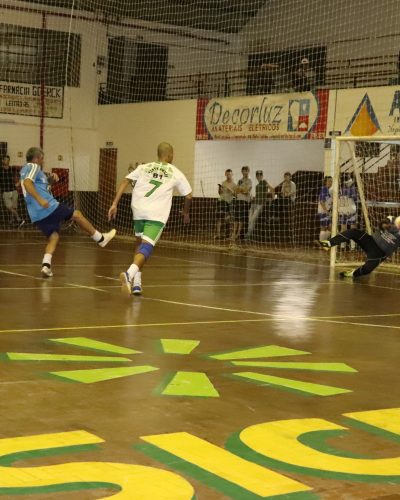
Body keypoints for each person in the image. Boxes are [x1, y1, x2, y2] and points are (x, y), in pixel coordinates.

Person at [108, 142, 192, 296]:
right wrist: (185, 212)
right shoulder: (175, 171)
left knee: (139, 244)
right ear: (170, 155)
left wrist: (114, 204)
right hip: (156, 214)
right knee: (147, 247)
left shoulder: (144, 167)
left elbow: (125, 181)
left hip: (138, 209)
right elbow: (188, 195)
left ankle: (137, 283)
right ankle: (128, 274)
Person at [20, 147, 116, 277]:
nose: (43, 161)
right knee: (76, 215)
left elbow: (37, 184)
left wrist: (50, 180)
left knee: (54, 236)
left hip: (36, 214)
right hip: (47, 207)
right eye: (42, 158)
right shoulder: (33, 166)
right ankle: (100, 238)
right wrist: (41, 200)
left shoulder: (27, 170)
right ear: (37, 158)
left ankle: (46, 265)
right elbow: (27, 184)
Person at [319, 216, 400, 278]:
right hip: (371, 241)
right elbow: (382, 223)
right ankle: (329, 243)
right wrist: (386, 225)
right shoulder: (393, 219)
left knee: (367, 270)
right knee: (354, 232)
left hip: (379, 253)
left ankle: (352, 273)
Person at [246, 170, 272, 239]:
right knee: (249, 218)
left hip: (260, 204)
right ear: (256, 176)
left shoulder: (264, 182)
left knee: (253, 218)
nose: (259, 176)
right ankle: (249, 233)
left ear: (262, 176)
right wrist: (252, 198)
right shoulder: (257, 186)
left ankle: (249, 234)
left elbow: (272, 189)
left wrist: (270, 199)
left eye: (260, 175)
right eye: (257, 175)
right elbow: (257, 195)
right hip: (254, 204)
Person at [0, 155, 25, 227]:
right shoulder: (0, 170)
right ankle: (19, 219)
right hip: (5, 192)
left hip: (14, 191)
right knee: (9, 207)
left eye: (8, 160)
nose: (6, 161)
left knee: (13, 208)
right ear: (2, 161)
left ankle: (11, 221)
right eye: (5, 160)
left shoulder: (12, 168)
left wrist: (19, 182)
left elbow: (22, 174)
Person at [338, 173, 358, 250]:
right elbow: (355, 197)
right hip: (351, 209)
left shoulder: (341, 188)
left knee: (343, 228)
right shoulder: (352, 188)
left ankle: (342, 245)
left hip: (343, 209)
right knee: (352, 227)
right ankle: (353, 246)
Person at [232, 166, 252, 241]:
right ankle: (234, 233)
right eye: (243, 171)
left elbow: (247, 191)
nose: (245, 172)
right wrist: (241, 190)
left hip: (244, 201)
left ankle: (238, 234)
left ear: (248, 171)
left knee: (241, 219)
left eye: (246, 171)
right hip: (238, 200)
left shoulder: (249, 180)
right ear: (242, 172)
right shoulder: (240, 180)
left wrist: (241, 190)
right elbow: (236, 190)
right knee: (236, 218)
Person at [215, 169, 236, 240]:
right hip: (221, 201)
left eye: (229, 174)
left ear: (232, 174)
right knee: (219, 218)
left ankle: (228, 235)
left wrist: (231, 190)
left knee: (228, 219)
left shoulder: (234, 184)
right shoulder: (223, 183)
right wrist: (219, 189)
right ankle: (218, 235)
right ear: (225, 174)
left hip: (229, 203)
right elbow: (220, 193)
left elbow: (236, 195)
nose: (228, 176)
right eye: (227, 174)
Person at [317, 176, 333, 243]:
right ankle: (321, 242)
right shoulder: (324, 189)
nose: (330, 182)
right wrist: (325, 210)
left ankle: (322, 242)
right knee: (323, 227)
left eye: (331, 181)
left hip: (327, 211)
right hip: (323, 211)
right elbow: (321, 201)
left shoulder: (329, 191)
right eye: (329, 181)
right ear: (325, 182)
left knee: (330, 227)